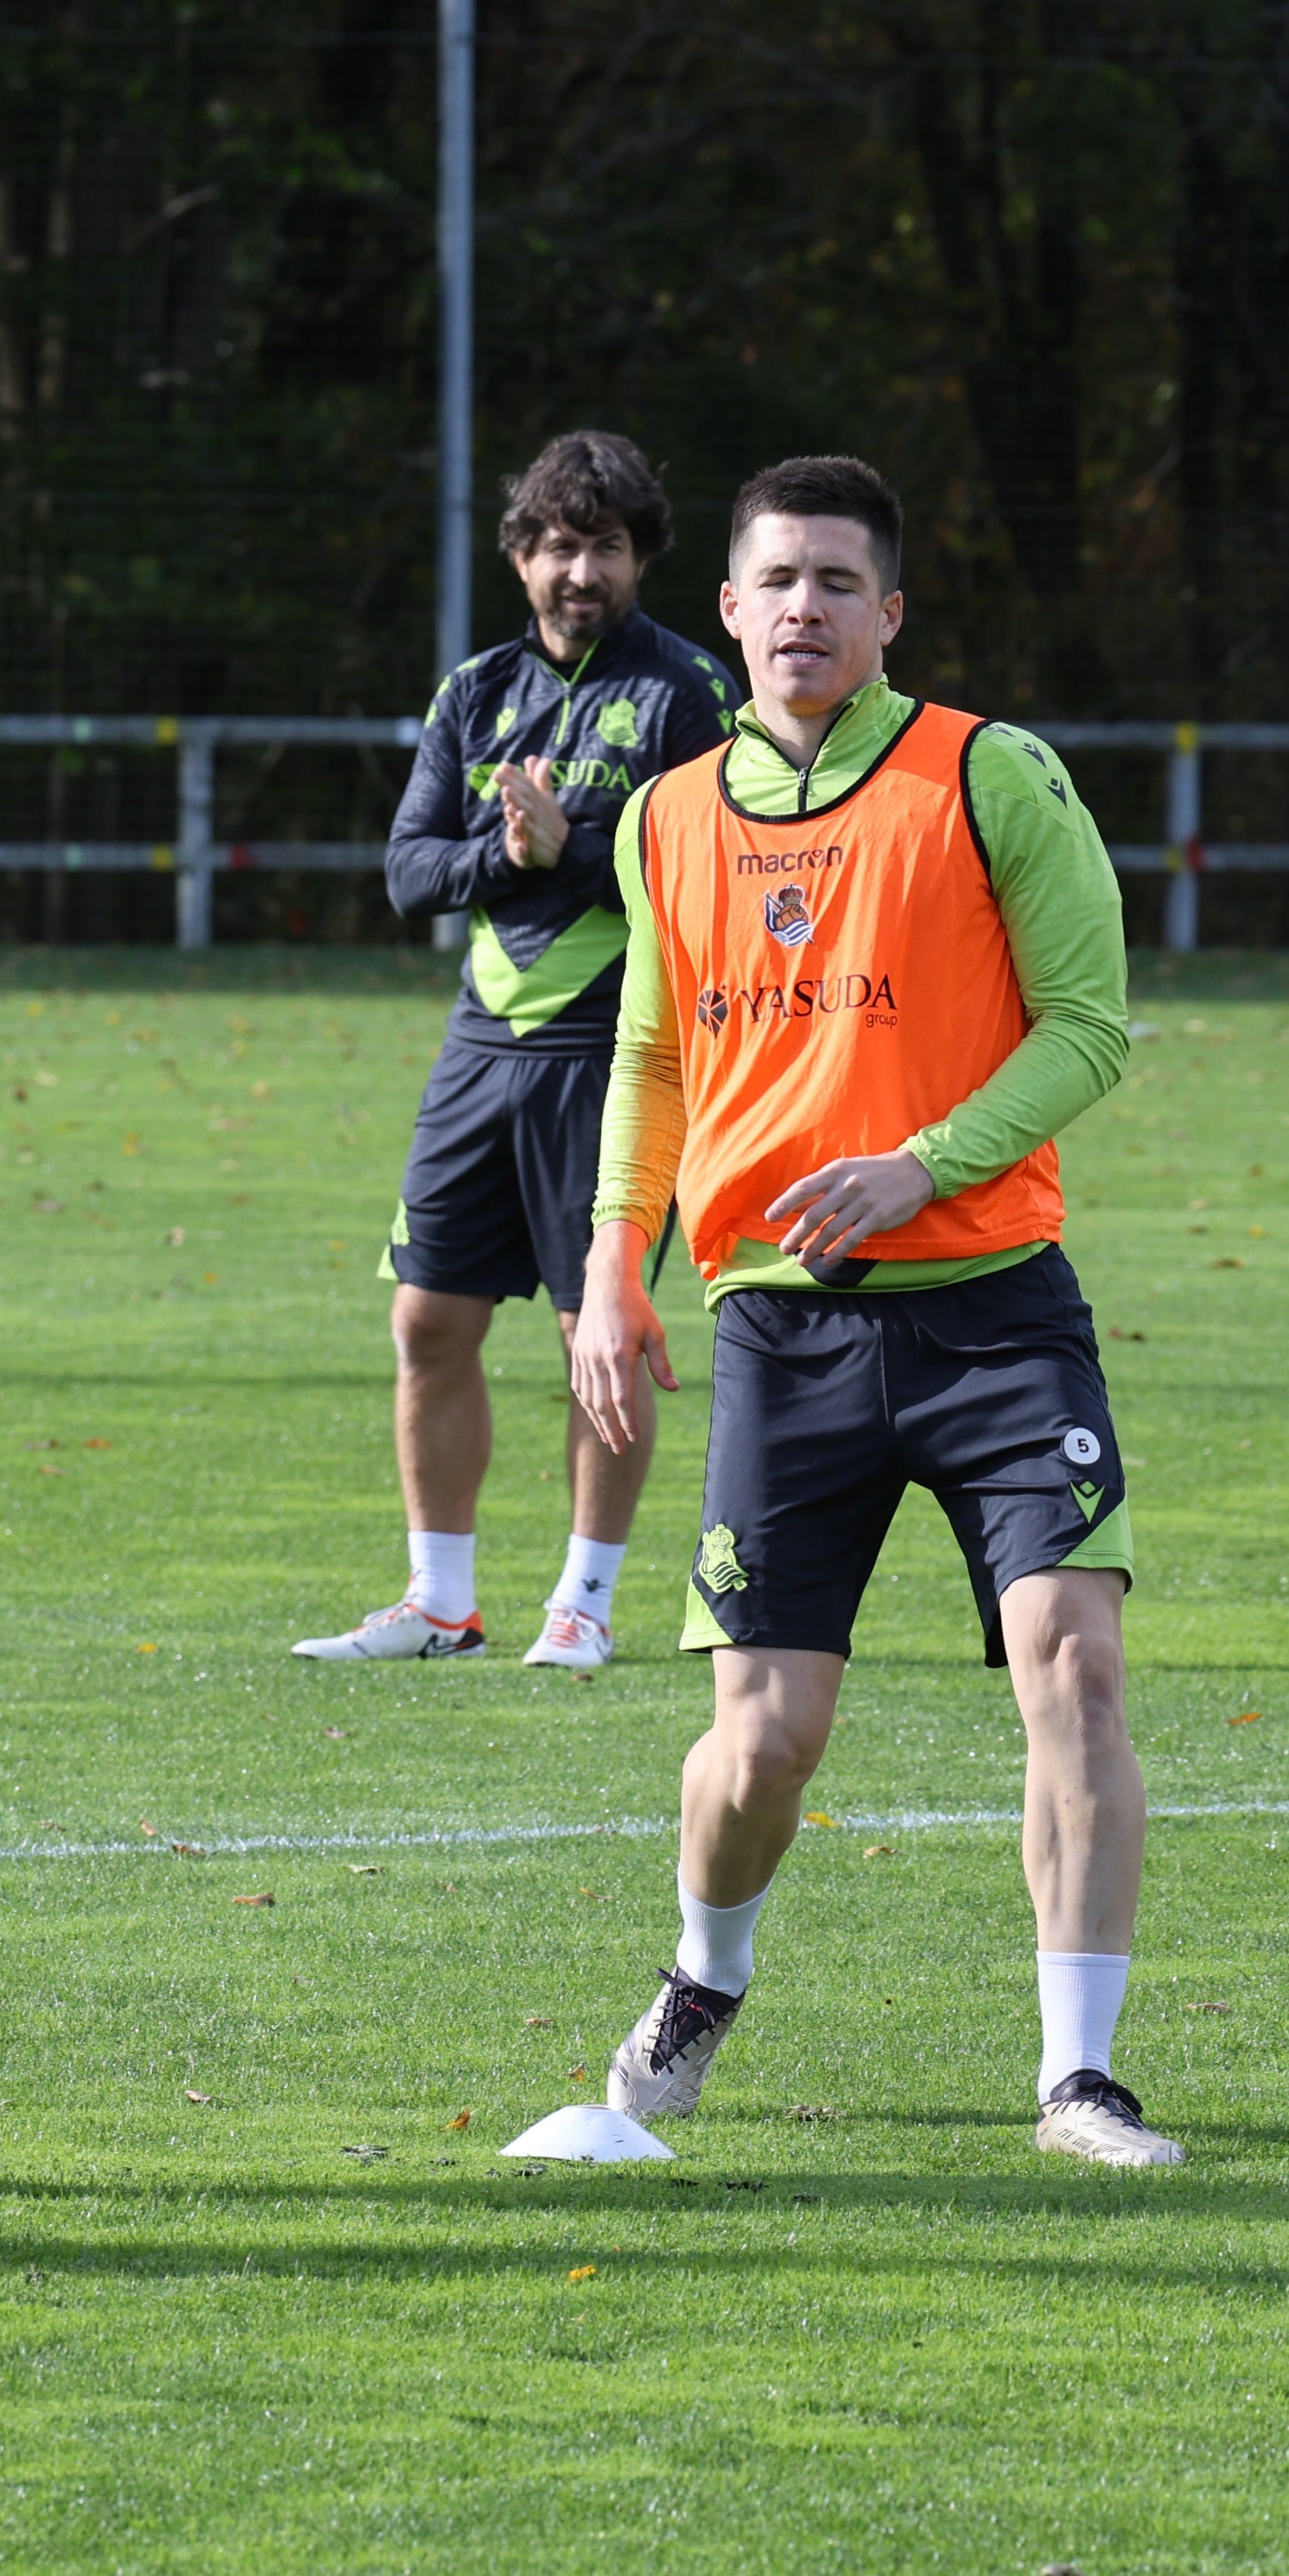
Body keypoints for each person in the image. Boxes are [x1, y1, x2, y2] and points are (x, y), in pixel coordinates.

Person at [571, 456, 1167, 2167]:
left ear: (890, 614)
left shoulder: (990, 776)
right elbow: (655, 1055)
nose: (809, 609)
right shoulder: (666, 814)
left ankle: (1079, 2075)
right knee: (763, 1742)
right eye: (780, 582)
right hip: (783, 1329)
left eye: (844, 583)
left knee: (1076, 1664)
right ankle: (705, 1974)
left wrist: (926, 1163)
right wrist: (616, 1269)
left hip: (996, 1316)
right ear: (732, 613)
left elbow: (1090, 1024)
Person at [299, 432, 738, 1671]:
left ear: (640, 557)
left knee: (594, 1332)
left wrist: (575, 852)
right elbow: (406, 871)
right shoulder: (473, 690)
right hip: (479, 1050)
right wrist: (510, 857)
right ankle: (439, 1603)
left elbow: (710, 875)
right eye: (555, 544)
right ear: (519, 557)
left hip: (616, 1049)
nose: (577, 569)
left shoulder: (687, 693)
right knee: (427, 1321)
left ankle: (583, 1605)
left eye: (603, 545)